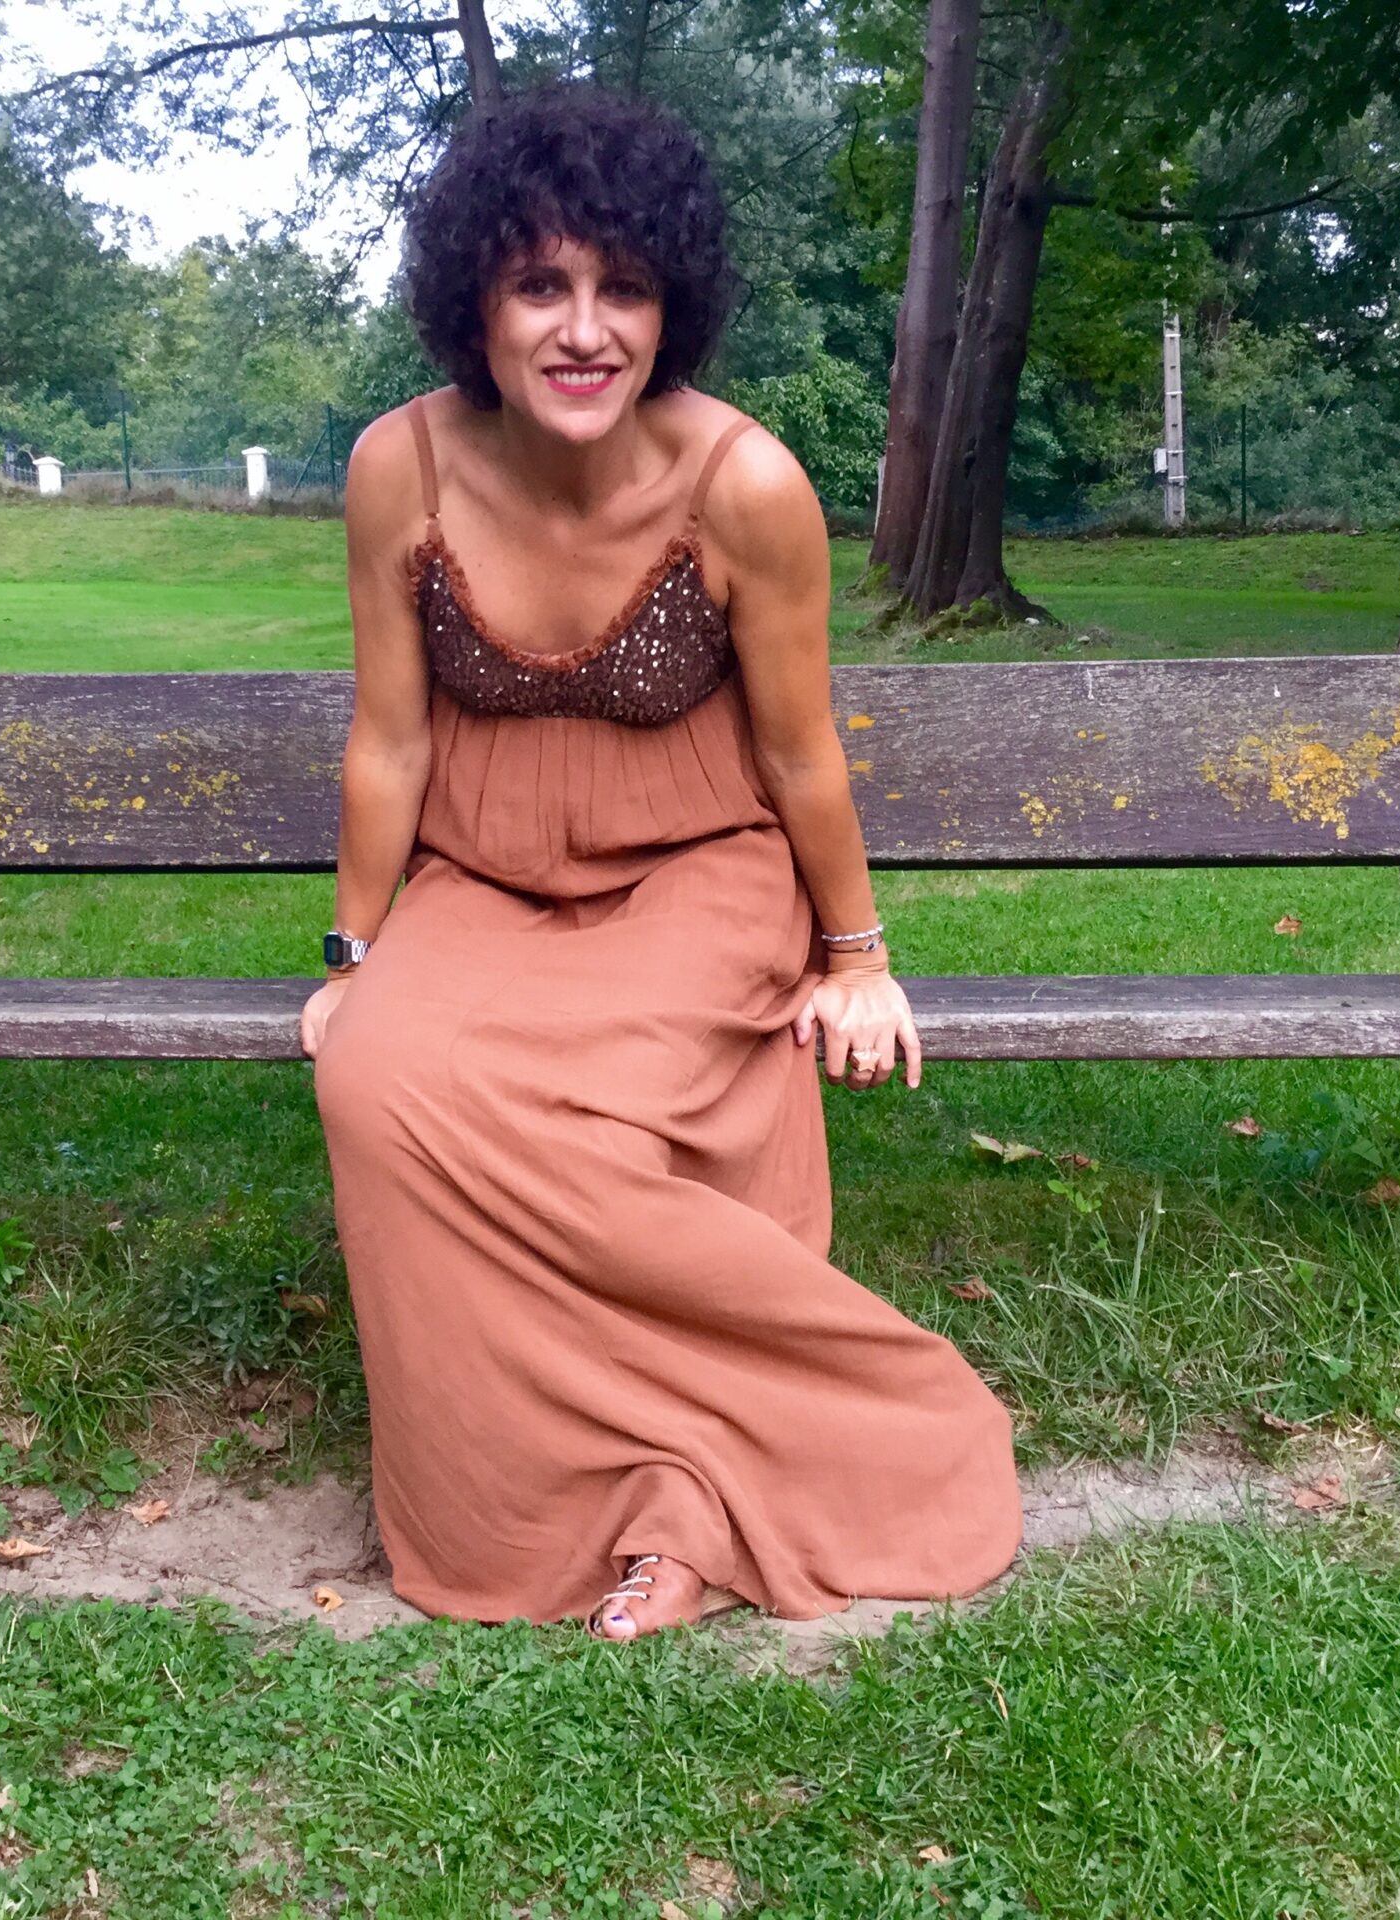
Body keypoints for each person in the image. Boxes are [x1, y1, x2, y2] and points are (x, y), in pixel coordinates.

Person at [303, 85, 1021, 1639]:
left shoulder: (743, 485)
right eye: (540, 284)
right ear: (476, 302)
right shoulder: (399, 468)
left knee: (584, 1118)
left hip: (704, 875)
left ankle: (710, 1493)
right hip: (483, 882)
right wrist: (354, 959)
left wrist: (856, 957)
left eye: (622, 288)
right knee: (373, 1080)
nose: (584, 330)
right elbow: (391, 742)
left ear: (669, 307)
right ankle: (556, 1506)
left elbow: (800, 752)